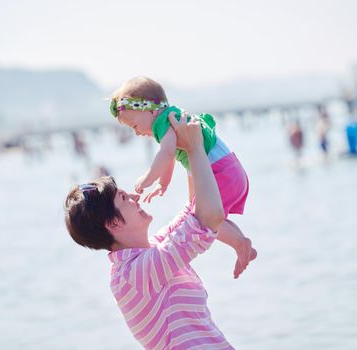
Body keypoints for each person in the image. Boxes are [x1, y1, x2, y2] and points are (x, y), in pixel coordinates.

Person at [64, 115, 235, 349]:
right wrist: (194, 149)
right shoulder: (133, 274)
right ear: (113, 224)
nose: (135, 197)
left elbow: (194, 210)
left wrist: (184, 150)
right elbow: (208, 218)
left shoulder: (148, 251)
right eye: (124, 198)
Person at [109, 76, 256, 278]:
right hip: (230, 170)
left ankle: (239, 243)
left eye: (134, 126)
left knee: (202, 220)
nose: (137, 133)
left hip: (220, 173)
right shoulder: (173, 118)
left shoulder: (165, 122)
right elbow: (170, 157)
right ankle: (241, 242)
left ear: (150, 109)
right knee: (209, 218)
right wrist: (164, 183)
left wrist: (148, 177)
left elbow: (166, 154)